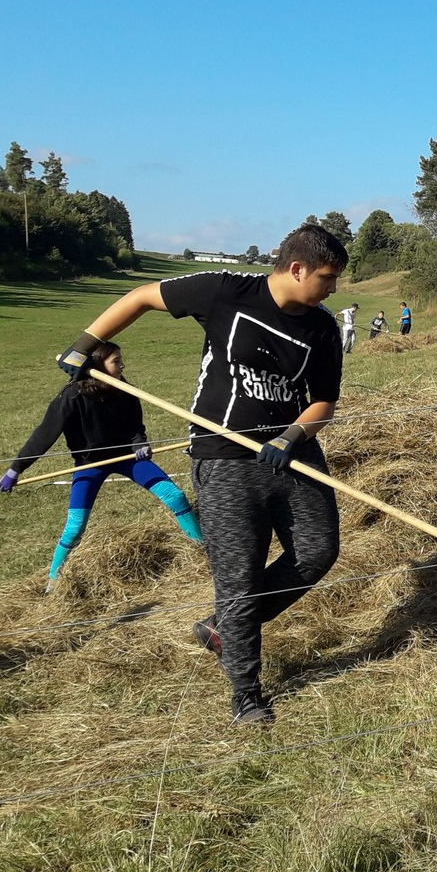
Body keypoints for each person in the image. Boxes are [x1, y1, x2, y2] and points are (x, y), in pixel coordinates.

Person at [55, 223, 347, 725]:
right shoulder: (227, 290)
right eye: (327, 277)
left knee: (319, 549)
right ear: (296, 268)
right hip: (223, 457)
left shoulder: (321, 327)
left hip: (290, 454)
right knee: (239, 575)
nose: (333, 288)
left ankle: (222, 629)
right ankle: (246, 692)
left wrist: (292, 436)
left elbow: (324, 400)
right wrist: (86, 342)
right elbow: (145, 296)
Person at [0, 341, 202, 594]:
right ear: (97, 366)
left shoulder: (124, 388)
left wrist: (140, 444)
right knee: (76, 525)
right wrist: (15, 470)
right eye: (116, 361)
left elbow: (135, 427)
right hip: (90, 464)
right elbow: (43, 436)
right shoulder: (71, 397)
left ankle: (200, 550)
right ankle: (53, 580)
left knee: (176, 496)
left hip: (128, 458)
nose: (122, 365)